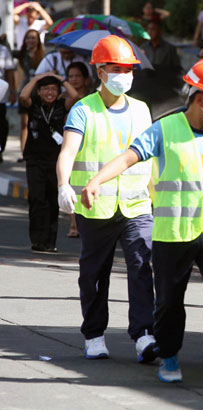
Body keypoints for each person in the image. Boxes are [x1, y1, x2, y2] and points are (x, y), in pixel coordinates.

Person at [80, 58, 203, 391]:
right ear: (201, 99)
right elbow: (129, 156)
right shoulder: (165, 130)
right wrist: (97, 179)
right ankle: (169, 355)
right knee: (169, 301)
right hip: (174, 234)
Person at [56, 35, 156, 363]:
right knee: (94, 273)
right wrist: (63, 185)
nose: (123, 75)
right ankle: (94, 334)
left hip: (137, 205)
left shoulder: (142, 110)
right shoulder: (84, 109)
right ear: (100, 72)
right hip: (94, 206)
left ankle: (143, 334)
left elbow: (152, 158)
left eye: (128, 69)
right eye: (116, 68)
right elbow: (68, 150)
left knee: (142, 266)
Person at [19, 72, 79, 252]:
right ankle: (38, 240)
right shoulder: (34, 104)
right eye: (45, 89)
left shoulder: (62, 105)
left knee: (53, 201)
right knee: (37, 199)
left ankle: (50, 243)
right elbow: (23, 95)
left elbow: (75, 96)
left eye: (53, 89)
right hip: (35, 159)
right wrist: (37, 78)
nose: (50, 92)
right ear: (39, 91)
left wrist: (61, 79)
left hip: (55, 159)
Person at [63, 61, 92, 238]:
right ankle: (74, 224)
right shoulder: (65, 98)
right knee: (72, 182)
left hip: (90, 143)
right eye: (70, 76)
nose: (74, 80)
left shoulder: (95, 97)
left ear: (86, 78)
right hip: (71, 143)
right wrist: (62, 82)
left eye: (77, 76)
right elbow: (73, 99)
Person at [15, 29, 45, 163]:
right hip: (24, 92)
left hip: (39, 94)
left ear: (38, 40)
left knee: (39, 123)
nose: (31, 41)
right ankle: (23, 152)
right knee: (24, 123)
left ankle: (37, 151)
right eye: (28, 38)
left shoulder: (43, 56)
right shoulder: (22, 55)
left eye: (33, 38)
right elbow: (9, 51)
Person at [0, 39, 16, 163]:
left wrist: (12, 92)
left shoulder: (3, 50)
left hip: (1, 93)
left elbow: (10, 72)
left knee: (1, 124)